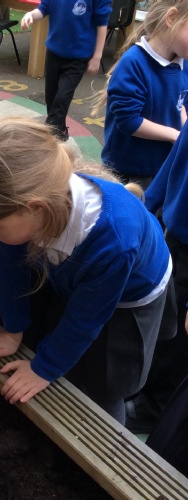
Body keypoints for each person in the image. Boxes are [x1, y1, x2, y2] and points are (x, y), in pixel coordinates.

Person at [0, 116, 176, 425]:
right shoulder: (26, 208)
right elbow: (8, 266)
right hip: (80, 275)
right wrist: (13, 331)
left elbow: (86, 319)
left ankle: (110, 435)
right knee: (66, 343)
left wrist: (43, 369)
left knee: (105, 381)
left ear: (35, 208)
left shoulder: (114, 242)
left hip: (131, 297)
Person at [127, 121, 188, 433]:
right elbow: (180, 154)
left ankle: (153, 407)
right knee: (166, 321)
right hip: (176, 232)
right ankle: (146, 389)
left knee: (179, 341)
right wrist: (147, 206)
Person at [94, 0, 188, 190]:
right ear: (171, 18)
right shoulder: (133, 63)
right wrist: (175, 136)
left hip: (162, 166)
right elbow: (129, 121)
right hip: (130, 171)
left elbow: (181, 103)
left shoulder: (182, 62)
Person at [20, 0, 111, 142]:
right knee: (51, 98)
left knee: (62, 98)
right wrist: (30, 15)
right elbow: (43, 8)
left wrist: (97, 56)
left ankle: (48, 137)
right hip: (54, 53)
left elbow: (102, 23)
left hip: (78, 58)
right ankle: (60, 130)